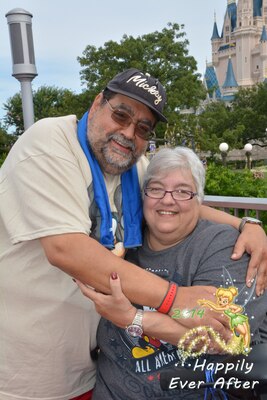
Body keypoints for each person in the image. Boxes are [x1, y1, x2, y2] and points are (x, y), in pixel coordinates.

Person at [0, 68, 266, 400]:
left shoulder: (131, 166)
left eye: (143, 128)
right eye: (121, 115)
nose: (128, 132)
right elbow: (66, 249)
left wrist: (246, 225)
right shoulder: (51, 142)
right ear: (98, 103)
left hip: (87, 368)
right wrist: (175, 299)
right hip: (27, 369)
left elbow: (173, 200)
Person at [76, 147, 267, 400]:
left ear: (198, 199)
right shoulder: (124, 239)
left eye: (182, 191)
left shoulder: (226, 248)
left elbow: (221, 337)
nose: (167, 199)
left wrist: (134, 318)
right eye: (156, 189)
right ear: (143, 196)